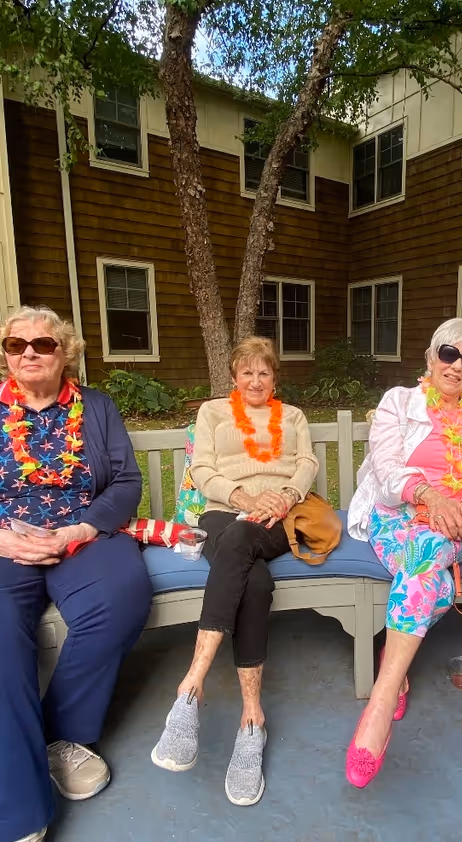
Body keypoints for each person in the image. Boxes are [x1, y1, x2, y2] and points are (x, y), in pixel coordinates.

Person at [0, 306, 152, 842]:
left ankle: (58, 737)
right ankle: (18, 807)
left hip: (81, 535)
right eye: (16, 345)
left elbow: (127, 482)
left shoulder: (97, 407)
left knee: (122, 596)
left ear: (66, 352)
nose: (29, 353)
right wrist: (4, 537)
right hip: (3, 541)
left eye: (43, 343)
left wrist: (78, 531)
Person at [152, 336, 319, 806]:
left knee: (246, 543)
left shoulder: (293, 417)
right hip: (225, 513)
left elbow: (306, 463)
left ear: (275, 378)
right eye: (246, 372)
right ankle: (252, 719)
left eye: (264, 372)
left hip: (279, 518)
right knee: (256, 580)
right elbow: (203, 470)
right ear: (233, 376)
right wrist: (244, 498)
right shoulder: (212, 413)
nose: (255, 380)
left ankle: (190, 686)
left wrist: (283, 497)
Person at [345, 318, 462, 788]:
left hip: (455, 522)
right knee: (424, 568)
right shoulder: (399, 401)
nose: (456, 366)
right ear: (431, 357)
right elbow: (387, 469)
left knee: (425, 556)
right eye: (449, 354)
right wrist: (431, 498)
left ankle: (381, 698)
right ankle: (391, 689)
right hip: (396, 515)